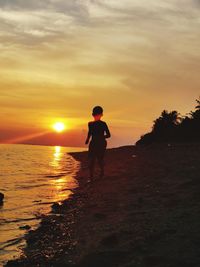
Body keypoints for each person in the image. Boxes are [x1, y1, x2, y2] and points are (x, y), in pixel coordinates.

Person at [85, 106, 111, 181]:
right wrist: (87, 140)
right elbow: (90, 133)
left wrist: (101, 137)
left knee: (98, 159)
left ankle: (99, 174)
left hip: (100, 143)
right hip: (95, 142)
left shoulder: (102, 124)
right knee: (93, 160)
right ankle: (92, 176)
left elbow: (109, 135)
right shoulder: (91, 124)